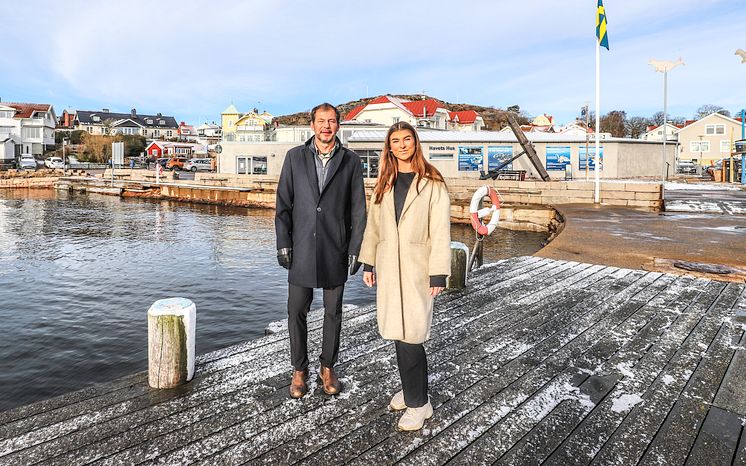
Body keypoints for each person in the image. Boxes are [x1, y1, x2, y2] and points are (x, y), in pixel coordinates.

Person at [359, 121, 451, 431]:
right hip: (388, 267)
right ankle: (415, 391)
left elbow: (440, 231)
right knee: (398, 334)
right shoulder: (384, 182)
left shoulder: (432, 183)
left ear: (415, 142)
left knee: (413, 335)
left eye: (406, 139)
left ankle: (418, 405)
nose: (401, 145)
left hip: (417, 269)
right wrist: (369, 264)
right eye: (395, 140)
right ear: (389, 146)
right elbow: (373, 227)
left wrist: (438, 273)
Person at [275, 103, 367, 399]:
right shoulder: (294, 158)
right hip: (301, 247)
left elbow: (358, 210)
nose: (326, 126)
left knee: (333, 312)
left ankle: (327, 366)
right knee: (295, 311)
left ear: (338, 125)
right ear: (312, 125)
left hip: (334, 248)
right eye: (321, 121)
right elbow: (283, 207)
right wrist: (283, 243)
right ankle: (299, 369)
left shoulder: (351, 161)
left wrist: (355, 249)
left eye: (331, 121)